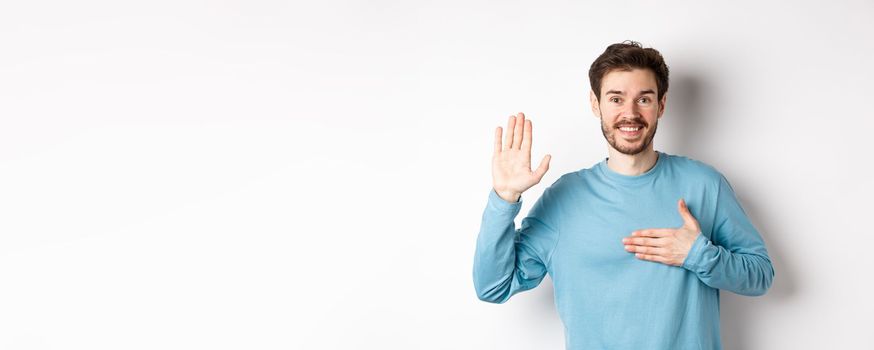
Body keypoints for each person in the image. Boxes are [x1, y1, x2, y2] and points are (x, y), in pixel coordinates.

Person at [472, 41, 775, 350]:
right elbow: (492, 287)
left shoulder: (704, 185)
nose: (630, 114)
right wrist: (504, 198)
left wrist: (699, 255)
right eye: (616, 98)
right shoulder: (564, 199)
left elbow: (761, 275)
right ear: (595, 103)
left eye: (643, 99)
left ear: (661, 105)